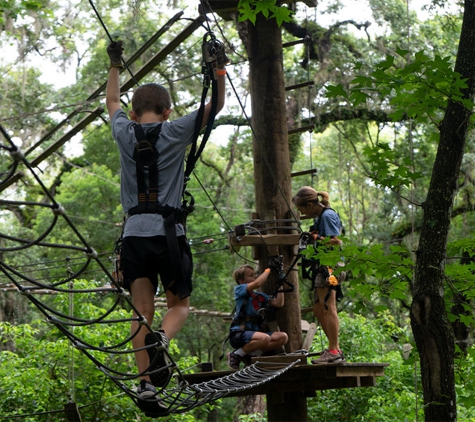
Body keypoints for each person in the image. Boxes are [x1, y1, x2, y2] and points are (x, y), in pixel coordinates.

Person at [105, 39, 227, 409]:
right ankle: (162, 340)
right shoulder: (175, 131)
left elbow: (112, 103)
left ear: (135, 110)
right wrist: (218, 70)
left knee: (140, 310)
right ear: (167, 110)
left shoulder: (124, 132)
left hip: (134, 236)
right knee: (180, 305)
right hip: (168, 234)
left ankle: (146, 385)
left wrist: (114, 65)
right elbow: (216, 105)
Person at [292, 186, 346, 364]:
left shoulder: (327, 215)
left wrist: (315, 239)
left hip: (331, 265)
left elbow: (336, 241)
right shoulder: (319, 218)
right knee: (318, 308)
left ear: (309, 204)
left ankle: (333, 350)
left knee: (327, 306)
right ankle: (333, 348)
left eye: (302, 210)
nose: (303, 213)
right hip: (323, 264)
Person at [227, 263, 288, 370]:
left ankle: (251, 355)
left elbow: (279, 303)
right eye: (251, 275)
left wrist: (280, 283)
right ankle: (236, 354)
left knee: (282, 337)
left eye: (255, 274)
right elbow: (258, 283)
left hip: (255, 334)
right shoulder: (239, 290)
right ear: (241, 281)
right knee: (265, 338)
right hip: (239, 333)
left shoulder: (259, 296)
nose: (255, 277)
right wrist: (268, 270)